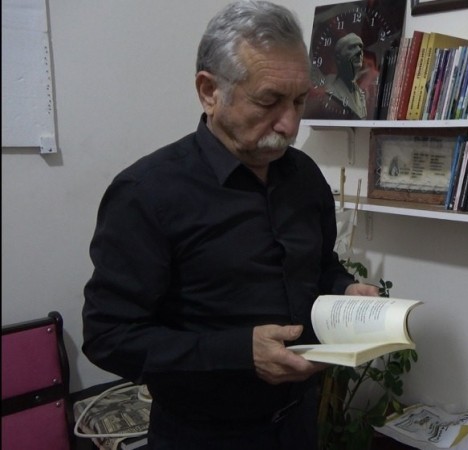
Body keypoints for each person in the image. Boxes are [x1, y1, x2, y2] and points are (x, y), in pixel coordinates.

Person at [81, 2, 379, 449]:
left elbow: (319, 267)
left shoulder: (305, 176)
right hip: (201, 436)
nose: (290, 124)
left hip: (298, 425)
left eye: (299, 100)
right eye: (269, 101)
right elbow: (108, 337)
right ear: (209, 91)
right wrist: (239, 353)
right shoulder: (146, 193)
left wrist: (344, 288)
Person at [321, 32, 367, 119]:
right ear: (338, 58)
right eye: (352, 47)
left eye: (360, 47)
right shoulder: (329, 90)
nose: (359, 52)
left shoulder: (360, 93)